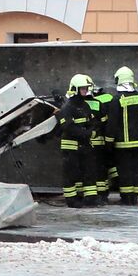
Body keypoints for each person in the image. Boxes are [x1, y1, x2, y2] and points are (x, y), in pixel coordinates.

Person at [105, 66, 138, 205]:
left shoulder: (117, 100)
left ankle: (126, 198)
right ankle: (135, 195)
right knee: (135, 169)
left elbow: (112, 123)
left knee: (124, 171)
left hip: (122, 144)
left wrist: (108, 142)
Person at [55, 74, 98, 208]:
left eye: (86, 88)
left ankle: (90, 198)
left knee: (88, 172)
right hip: (71, 147)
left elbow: (93, 122)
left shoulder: (85, 106)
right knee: (71, 174)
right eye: (82, 88)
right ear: (75, 89)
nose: (85, 91)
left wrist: (91, 132)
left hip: (84, 146)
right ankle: (72, 200)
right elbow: (68, 127)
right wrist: (87, 133)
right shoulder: (68, 108)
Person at [82, 79, 111, 205]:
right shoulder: (98, 103)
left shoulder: (78, 104)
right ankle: (102, 195)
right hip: (99, 142)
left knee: (87, 170)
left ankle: (88, 196)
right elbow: (105, 123)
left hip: (85, 142)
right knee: (100, 170)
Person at [92, 79, 117, 201]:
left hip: (97, 139)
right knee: (109, 164)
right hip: (111, 136)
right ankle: (114, 184)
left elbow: (99, 121)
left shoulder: (95, 102)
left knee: (99, 168)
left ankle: (101, 194)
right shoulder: (110, 98)